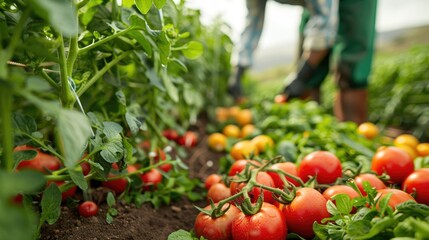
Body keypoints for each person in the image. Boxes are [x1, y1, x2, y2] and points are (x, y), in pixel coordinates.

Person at [229, 0, 378, 124]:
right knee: (308, 69)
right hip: (317, 5)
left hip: (353, 4)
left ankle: (353, 132)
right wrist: (237, 70)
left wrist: (301, 76)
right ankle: (313, 133)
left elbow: (325, 25)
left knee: (350, 64)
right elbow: (252, 24)